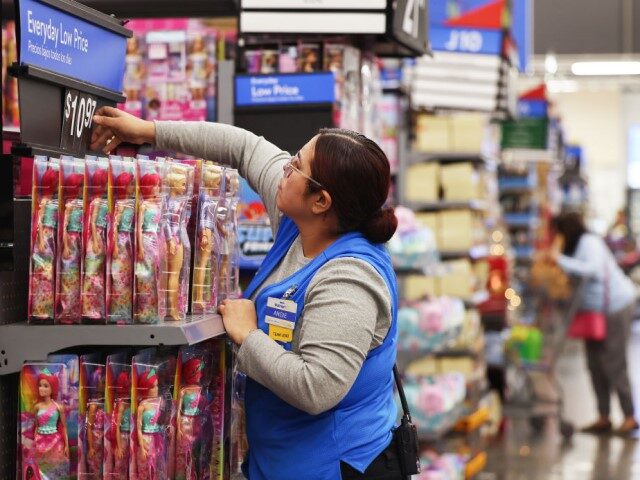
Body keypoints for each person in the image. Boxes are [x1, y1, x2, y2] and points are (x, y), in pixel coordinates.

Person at [91, 106, 405, 479]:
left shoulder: (349, 280)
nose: (284, 167)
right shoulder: (301, 223)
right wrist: (148, 131)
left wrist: (248, 335)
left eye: (296, 166)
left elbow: (317, 387)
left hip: (333, 468)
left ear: (321, 202)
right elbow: (245, 148)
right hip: (277, 460)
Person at [550, 212, 638, 435]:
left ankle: (629, 416)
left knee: (614, 363)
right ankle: (603, 416)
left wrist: (558, 259)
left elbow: (591, 269)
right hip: (595, 313)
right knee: (594, 364)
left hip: (615, 308)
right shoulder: (579, 245)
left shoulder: (589, 242)